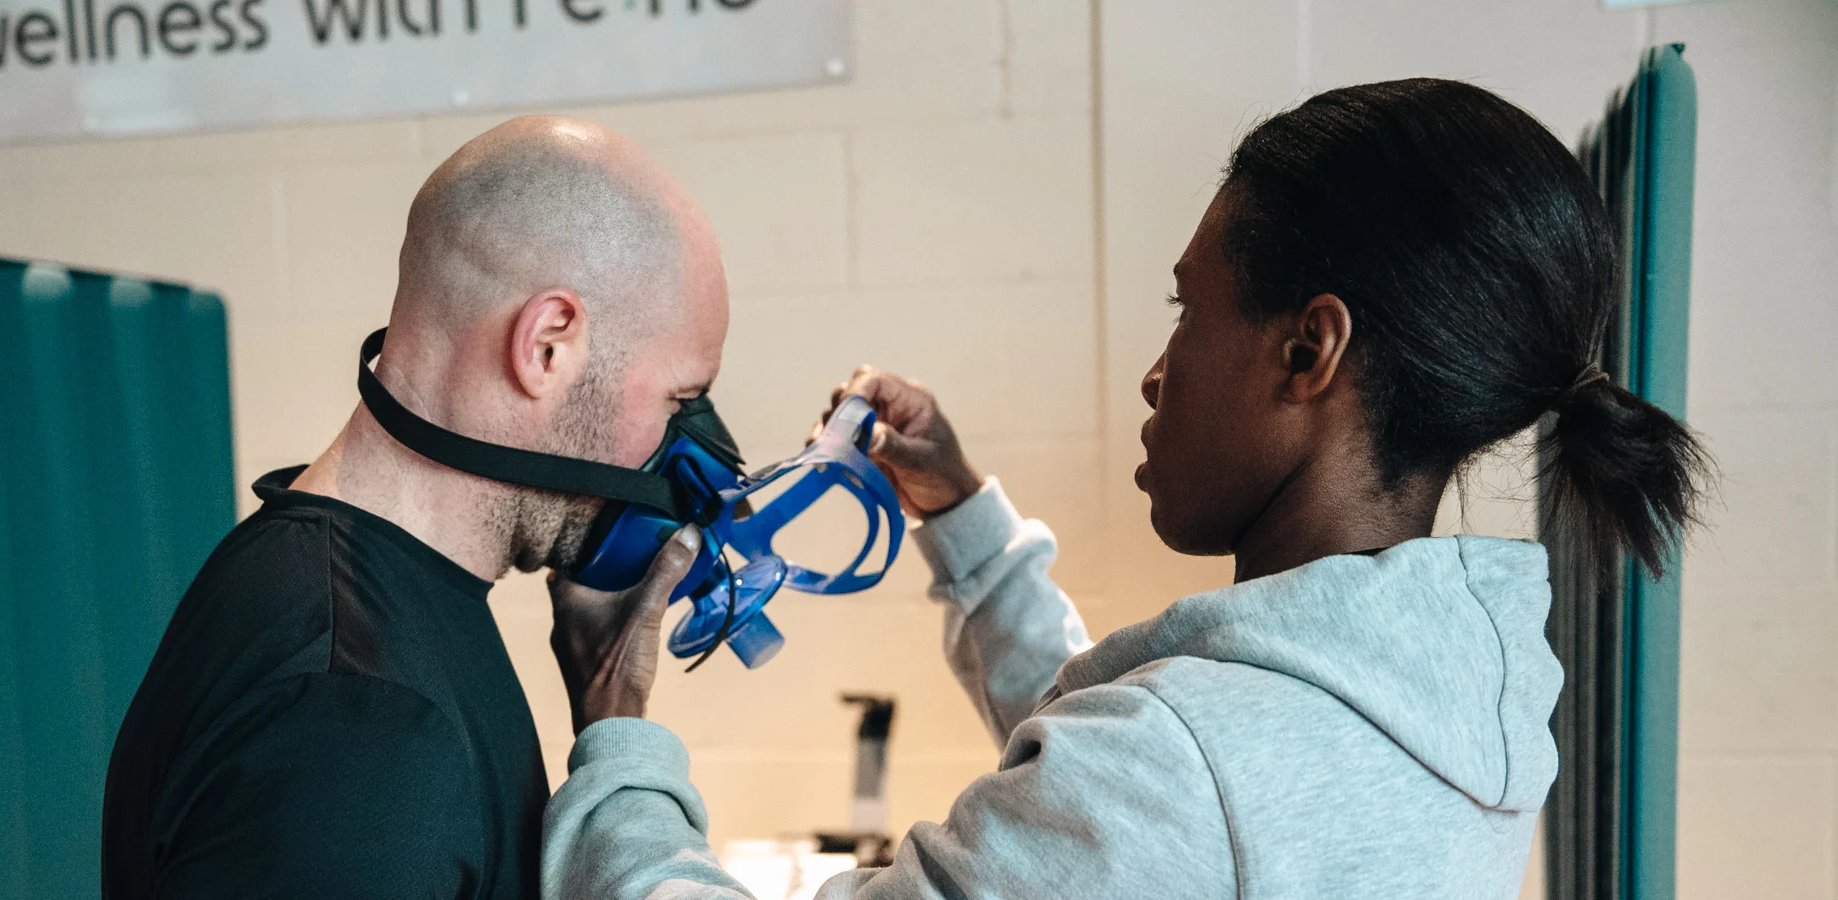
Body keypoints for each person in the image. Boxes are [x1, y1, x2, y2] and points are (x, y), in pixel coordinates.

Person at [539, 79, 1710, 898]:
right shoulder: (1458, 696)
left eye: (1185, 312)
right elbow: (1129, 783)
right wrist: (964, 519)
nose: (1156, 374)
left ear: (1309, 352)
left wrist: (618, 741)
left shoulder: (1181, 771)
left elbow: (1148, 784)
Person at [102, 115, 727, 898]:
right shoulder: (357, 721)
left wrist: (613, 716)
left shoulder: (360, 593)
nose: (685, 449)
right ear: (547, 347)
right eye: (680, 400)